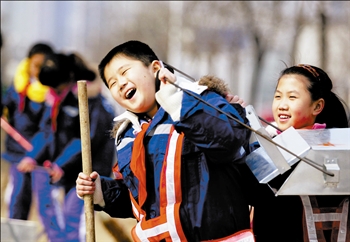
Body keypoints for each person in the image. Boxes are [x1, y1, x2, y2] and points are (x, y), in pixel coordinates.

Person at [76, 40, 254, 241]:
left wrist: (177, 103)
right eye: (113, 83)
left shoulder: (202, 101)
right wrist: (101, 192)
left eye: (125, 72)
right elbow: (142, 201)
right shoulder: (126, 136)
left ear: (155, 68)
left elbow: (227, 142)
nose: (121, 84)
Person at [18, 52, 116, 242]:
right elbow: (47, 132)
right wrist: (32, 156)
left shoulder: (90, 99)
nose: (51, 91)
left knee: (75, 221)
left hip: (89, 171)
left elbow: (86, 139)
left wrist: (61, 164)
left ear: (67, 79)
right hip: (67, 170)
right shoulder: (56, 99)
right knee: (55, 219)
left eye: (55, 87)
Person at [251, 64, 350, 242]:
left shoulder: (337, 150)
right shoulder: (268, 147)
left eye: (292, 97)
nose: (282, 105)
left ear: (317, 106)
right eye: (278, 96)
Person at [1, 43, 54, 220]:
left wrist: (34, 154)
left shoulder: (54, 93)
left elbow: (47, 128)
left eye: (43, 66)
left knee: (46, 206)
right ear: (29, 63)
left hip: (41, 157)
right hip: (17, 153)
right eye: (36, 65)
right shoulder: (17, 86)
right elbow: (6, 105)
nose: (38, 71)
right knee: (17, 199)